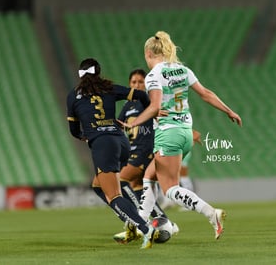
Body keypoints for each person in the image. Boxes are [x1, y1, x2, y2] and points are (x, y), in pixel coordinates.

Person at [119, 31, 242, 240]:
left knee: (170, 189)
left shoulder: (154, 75)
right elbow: (205, 94)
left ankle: (212, 213)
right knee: (149, 177)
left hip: (168, 134)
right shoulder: (183, 70)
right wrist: (229, 110)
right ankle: (141, 227)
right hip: (185, 132)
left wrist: (136, 122)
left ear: (148, 53)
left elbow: (155, 106)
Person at [66, 58, 159, 249]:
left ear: (80, 75)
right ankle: (132, 222)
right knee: (98, 186)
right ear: (98, 73)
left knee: (114, 196)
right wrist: (151, 114)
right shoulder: (109, 88)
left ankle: (145, 228)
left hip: (103, 145)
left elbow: (74, 130)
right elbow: (141, 95)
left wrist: (85, 135)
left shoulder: (73, 95)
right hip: (122, 142)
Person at [113, 69, 178, 243]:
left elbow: (162, 117)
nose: (137, 85)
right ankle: (167, 223)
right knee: (137, 189)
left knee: (120, 181)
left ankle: (136, 223)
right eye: (133, 82)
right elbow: (121, 127)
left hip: (144, 151)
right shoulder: (127, 106)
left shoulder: (149, 102)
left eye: (140, 82)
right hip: (132, 151)